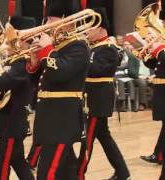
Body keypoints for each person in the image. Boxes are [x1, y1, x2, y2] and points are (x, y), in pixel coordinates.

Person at [26, 0, 90, 178]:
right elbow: (38, 81)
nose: (45, 25)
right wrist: (33, 61)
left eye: (50, 19)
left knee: (48, 174)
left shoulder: (79, 46)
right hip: (50, 119)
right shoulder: (57, 47)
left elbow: (60, 72)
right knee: (68, 172)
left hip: (63, 120)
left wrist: (46, 49)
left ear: (66, 19)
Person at [0, 16, 36, 180]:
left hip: (12, 121)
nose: (5, 43)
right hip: (9, 120)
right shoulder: (15, 60)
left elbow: (7, 80)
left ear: (22, 40)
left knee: (2, 163)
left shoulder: (23, 61)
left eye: (10, 39)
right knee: (18, 162)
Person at [77, 8, 131, 180]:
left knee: (87, 141)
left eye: (89, 29)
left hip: (98, 101)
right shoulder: (94, 47)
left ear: (101, 28)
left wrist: (79, 55)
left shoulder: (108, 48)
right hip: (91, 98)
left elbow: (95, 70)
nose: (85, 32)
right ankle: (123, 173)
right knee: (104, 138)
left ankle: (78, 175)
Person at [140, 38, 165, 175]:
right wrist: (145, 55)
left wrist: (159, 49)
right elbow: (156, 65)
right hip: (161, 89)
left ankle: (159, 155)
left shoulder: (162, 48)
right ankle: (159, 154)